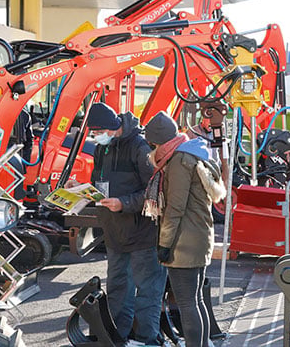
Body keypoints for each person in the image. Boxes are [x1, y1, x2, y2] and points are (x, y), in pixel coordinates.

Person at [67, 102, 166, 345]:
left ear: (111, 128)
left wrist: (124, 203)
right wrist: (80, 191)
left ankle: (147, 340)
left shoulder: (140, 148)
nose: (95, 137)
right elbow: (99, 183)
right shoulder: (104, 148)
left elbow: (155, 191)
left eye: (97, 132)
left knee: (147, 293)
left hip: (142, 233)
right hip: (114, 231)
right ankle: (118, 339)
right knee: (118, 291)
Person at [143, 112, 225, 347]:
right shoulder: (194, 152)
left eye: (153, 144)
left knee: (187, 303)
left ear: (158, 141)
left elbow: (175, 208)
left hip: (184, 241)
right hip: (198, 235)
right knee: (196, 300)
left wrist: (165, 244)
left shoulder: (179, 161)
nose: (152, 150)